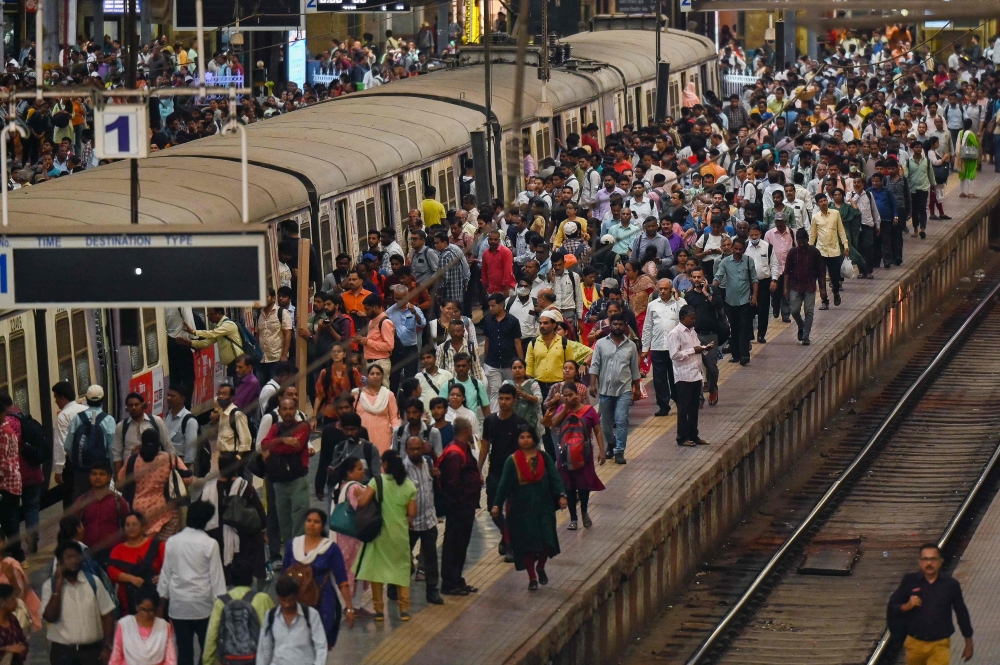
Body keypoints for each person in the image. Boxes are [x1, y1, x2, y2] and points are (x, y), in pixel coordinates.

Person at [490, 426, 567, 590]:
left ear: (534, 439)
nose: (525, 440)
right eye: (522, 437)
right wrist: (497, 504)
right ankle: (532, 577)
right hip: (521, 510)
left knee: (547, 539)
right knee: (528, 545)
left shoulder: (544, 458)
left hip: (544, 506)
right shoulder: (512, 461)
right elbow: (503, 485)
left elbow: (555, 477)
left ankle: (541, 566)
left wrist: (562, 495)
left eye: (528, 437)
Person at [157, 501, 228, 665]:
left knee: (184, 651)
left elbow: (166, 574)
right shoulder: (210, 544)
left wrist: (161, 601)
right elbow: (217, 580)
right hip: (203, 606)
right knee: (207, 651)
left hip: (178, 606)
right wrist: (222, 606)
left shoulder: (172, 542)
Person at [354, 450, 417, 620]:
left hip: (380, 534)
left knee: (377, 571)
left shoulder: (377, 481)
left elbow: (362, 502)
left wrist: (359, 495)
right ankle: (404, 609)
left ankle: (379, 610)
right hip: (400, 535)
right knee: (401, 570)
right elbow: (412, 512)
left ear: (386, 465)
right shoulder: (409, 485)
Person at [888, 543, 973, 664]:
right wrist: (908, 605)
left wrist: (968, 641)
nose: (929, 563)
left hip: (940, 644)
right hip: (914, 644)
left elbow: (961, 612)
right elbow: (893, 607)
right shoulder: (909, 581)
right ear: (919, 562)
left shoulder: (950, 585)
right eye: (925, 559)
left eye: (933, 559)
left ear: (940, 561)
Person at [282, 509, 354, 645]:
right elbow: (284, 576)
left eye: (316, 522)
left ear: (322, 526)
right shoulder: (293, 545)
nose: (311, 524)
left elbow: (342, 580)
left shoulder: (330, 548)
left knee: (319, 642)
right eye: (309, 521)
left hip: (323, 602)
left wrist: (349, 607)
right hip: (295, 602)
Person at [42, 541, 117, 665]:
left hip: (92, 652)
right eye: (69, 557)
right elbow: (50, 617)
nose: (74, 561)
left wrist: (108, 646)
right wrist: (58, 587)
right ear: (60, 562)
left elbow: (108, 614)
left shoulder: (94, 582)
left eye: (76, 556)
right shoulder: (49, 586)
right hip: (63, 653)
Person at [544, 382, 605, 530]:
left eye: (570, 395)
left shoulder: (589, 411)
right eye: (565, 396)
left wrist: (602, 451)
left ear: (577, 395)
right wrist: (565, 408)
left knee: (583, 485)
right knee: (568, 486)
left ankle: (584, 511)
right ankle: (573, 518)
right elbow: (553, 423)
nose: (568, 398)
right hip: (566, 455)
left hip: (585, 455)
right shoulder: (562, 410)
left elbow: (597, 430)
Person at [478, 385, 527, 560]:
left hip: (515, 475)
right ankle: (507, 537)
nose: (503, 402)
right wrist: (479, 469)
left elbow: (528, 450)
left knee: (513, 511)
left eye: (507, 399)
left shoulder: (521, 424)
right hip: (495, 472)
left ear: (514, 400)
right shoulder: (490, 421)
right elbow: (484, 446)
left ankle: (511, 544)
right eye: (501, 398)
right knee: (493, 509)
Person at [202, 453, 267, 583]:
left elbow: (200, 513)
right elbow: (260, 513)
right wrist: (264, 532)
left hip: (216, 536)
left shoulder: (209, 488)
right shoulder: (245, 487)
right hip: (241, 537)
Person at [436, 417, 483, 596]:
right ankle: (449, 582)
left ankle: (457, 579)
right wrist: (461, 501)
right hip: (459, 508)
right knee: (454, 544)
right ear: (467, 430)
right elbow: (452, 483)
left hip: (465, 506)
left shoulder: (461, 449)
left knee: (461, 544)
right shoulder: (455, 453)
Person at [261, 398, 312, 555]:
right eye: (284, 409)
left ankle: (300, 556)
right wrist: (283, 440)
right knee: (284, 522)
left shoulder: (303, 426)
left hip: (298, 481)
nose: (288, 412)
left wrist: (274, 447)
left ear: (296, 409)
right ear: (280, 411)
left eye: (291, 408)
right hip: (279, 483)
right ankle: (291, 555)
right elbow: (264, 444)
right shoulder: (276, 427)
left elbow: (294, 448)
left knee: (299, 521)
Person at [119, 430, 192, 539]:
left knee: (142, 549)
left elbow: (121, 480)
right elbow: (188, 479)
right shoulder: (169, 459)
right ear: (158, 443)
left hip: (138, 514)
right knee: (161, 550)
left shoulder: (133, 460)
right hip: (165, 512)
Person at [588, 314, 640, 465]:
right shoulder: (600, 344)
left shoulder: (630, 346)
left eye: (620, 324)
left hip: (624, 389)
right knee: (605, 423)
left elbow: (634, 369)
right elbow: (595, 365)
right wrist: (592, 384)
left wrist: (637, 389)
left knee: (621, 419)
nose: (617, 327)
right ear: (610, 325)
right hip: (605, 389)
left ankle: (619, 451)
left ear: (625, 326)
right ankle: (611, 443)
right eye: (615, 324)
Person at [202, 560, 275, 665]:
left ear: (232, 579)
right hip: (257, 659)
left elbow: (212, 635)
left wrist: (207, 661)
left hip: (228, 659)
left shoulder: (221, 602)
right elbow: (274, 629)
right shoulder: (262, 599)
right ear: (251, 579)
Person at [402, 436, 443, 605]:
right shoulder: (402, 469)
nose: (415, 452)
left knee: (431, 558)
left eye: (418, 448)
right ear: (406, 450)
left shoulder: (428, 463)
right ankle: (394, 587)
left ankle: (432, 591)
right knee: (403, 557)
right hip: (410, 523)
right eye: (412, 449)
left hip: (428, 520)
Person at [330, 457, 374, 615]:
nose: (363, 471)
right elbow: (361, 508)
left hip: (340, 535)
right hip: (353, 537)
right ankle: (353, 606)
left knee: (345, 569)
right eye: (359, 469)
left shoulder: (338, 486)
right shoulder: (355, 488)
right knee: (356, 569)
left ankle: (348, 604)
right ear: (350, 472)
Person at [63, 384, 116, 502]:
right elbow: (112, 449)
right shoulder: (108, 420)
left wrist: (77, 461)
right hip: (101, 471)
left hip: (81, 471)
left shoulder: (77, 418)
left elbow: (68, 446)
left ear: (86, 400)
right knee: (100, 502)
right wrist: (112, 471)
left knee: (81, 503)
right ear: (102, 399)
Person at [257, 575, 327, 665]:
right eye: (283, 600)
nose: (287, 604)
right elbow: (264, 648)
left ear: (297, 596)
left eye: (291, 600)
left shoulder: (311, 615)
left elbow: (321, 646)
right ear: (278, 597)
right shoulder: (270, 616)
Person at [71, 461, 130, 567]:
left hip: (112, 552)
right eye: (94, 474)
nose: (97, 477)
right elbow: (71, 527)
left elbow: (127, 528)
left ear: (109, 477)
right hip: (87, 552)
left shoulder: (119, 502)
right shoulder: (81, 501)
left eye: (102, 474)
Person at [669, 305, 712, 447]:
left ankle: (694, 435)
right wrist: (693, 350)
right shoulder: (675, 333)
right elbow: (674, 355)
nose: (694, 321)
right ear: (682, 318)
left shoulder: (692, 331)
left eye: (694, 318)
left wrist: (705, 349)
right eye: (691, 318)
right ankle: (682, 437)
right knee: (684, 408)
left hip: (695, 374)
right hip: (683, 375)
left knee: (694, 407)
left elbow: (697, 348)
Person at [107, 512, 164, 615]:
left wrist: (163, 576)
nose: (130, 528)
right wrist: (131, 579)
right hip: (128, 605)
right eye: (127, 525)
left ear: (143, 527)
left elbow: (170, 566)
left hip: (156, 602)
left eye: (134, 524)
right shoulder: (118, 549)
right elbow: (111, 571)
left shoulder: (157, 545)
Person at [713, 237, 757, 365]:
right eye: (735, 248)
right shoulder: (725, 262)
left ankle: (744, 355)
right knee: (734, 328)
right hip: (730, 301)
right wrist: (711, 287)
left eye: (740, 249)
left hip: (745, 301)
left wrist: (754, 296)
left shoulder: (749, 261)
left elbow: (754, 280)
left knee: (744, 328)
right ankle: (736, 354)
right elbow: (718, 276)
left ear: (743, 249)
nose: (738, 251)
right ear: (732, 248)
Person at [642, 279, 683, 417]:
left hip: (674, 348)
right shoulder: (652, 305)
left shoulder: (679, 304)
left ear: (671, 289)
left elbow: (686, 320)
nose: (663, 291)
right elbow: (648, 327)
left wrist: (678, 300)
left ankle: (679, 402)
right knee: (659, 379)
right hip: (657, 347)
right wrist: (644, 348)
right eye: (660, 289)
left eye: (665, 289)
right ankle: (663, 406)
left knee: (675, 377)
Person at [108, 587, 175, 665]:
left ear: (156, 609)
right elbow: (116, 657)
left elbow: (170, 659)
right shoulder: (125, 625)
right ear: (136, 606)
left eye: (150, 610)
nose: (146, 614)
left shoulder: (164, 627)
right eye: (143, 609)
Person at [784, 227, 828, 346]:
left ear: (808, 240)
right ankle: (801, 325)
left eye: (804, 242)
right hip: (795, 286)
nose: (802, 244)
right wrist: (786, 288)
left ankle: (806, 336)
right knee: (794, 310)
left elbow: (821, 272)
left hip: (810, 286)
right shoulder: (792, 253)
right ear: (796, 241)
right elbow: (787, 271)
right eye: (800, 242)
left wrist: (822, 288)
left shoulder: (814, 252)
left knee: (809, 311)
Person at [112, 392, 173, 473]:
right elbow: (117, 454)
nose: (133, 408)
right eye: (130, 405)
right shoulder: (121, 427)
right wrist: (119, 477)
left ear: (143, 405)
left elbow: (168, 446)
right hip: (131, 473)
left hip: (155, 471)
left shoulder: (156, 421)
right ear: (127, 408)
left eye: (136, 405)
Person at [808, 192, 850, 309]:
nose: (823, 203)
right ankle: (824, 301)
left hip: (834, 251)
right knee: (821, 276)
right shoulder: (815, 217)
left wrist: (846, 246)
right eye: (820, 202)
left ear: (827, 201)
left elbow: (841, 231)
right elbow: (812, 235)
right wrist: (810, 251)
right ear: (817, 204)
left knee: (834, 276)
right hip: (820, 251)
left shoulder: (835, 214)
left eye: (824, 200)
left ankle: (836, 293)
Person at [52, 380, 88, 504]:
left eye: (56, 397)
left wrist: (59, 470)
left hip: (73, 464)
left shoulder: (63, 416)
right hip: (90, 458)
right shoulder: (87, 409)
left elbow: (62, 444)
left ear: (62, 397)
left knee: (71, 501)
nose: (55, 401)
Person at [352, 363, 401, 453]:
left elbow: (394, 417)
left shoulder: (388, 395)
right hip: (361, 436)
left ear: (382, 377)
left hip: (383, 436)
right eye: (372, 373)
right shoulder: (357, 394)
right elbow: (352, 416)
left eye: (378, 374)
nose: (375, 376)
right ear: (367, 376)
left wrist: (396, 433)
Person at [385, 285, 426, 393]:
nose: (398, 301)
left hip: (410, 348)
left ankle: (410, 401)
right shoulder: (390, 311)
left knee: (410, 377)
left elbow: (422, 324)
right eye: (396, 298)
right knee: (393, 378)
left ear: (407, 296)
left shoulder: (415, 309)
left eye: (401, 298)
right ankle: (393, 400)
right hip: (395, 349)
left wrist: (415, 313)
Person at [313, 343, 362, 425]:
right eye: (333, 352)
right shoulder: (325, 372)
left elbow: (360, 392)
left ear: (344, 354)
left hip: (348, 412)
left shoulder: (353, 371)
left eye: (339, 351)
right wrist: (314, 417)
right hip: (330, 413)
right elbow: (319, 395)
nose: (336, 354)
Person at [0, 534, 39, 632]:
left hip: (10, 624)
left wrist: (11, 577)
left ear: (3, 543)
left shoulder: (10, 564)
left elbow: (20, 595)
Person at [505, 359, 543, 437]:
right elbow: (502, 402)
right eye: (514, 368)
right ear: (511, 371)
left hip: (532, 421)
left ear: (525, 369)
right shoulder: (506, 384)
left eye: (520, 367)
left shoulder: (533, 383)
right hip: (511, 422)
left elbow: (539, 400)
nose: (517, 370)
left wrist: (524, 395)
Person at [163, 386, 199, 469]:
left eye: (173, 396)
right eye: (168, 395)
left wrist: (184, 470)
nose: (169, 398)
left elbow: (191, 449)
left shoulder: (190, 421)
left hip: (180, 466)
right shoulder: (168, 415)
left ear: (182, 399)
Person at [415, 346, 452, 414]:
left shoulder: (447, 375)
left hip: (444, 416)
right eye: (423, 358)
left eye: (429, 357)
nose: (426, 360)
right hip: (425, 418)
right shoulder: (418, 377)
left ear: (435, 358)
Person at [0, 583, 28, 665]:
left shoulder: (12, 619)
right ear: (2, 602)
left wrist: (22, 648)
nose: (16, 602)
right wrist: (7, 649)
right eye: (13, 598)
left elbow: (22, 639)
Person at [956, 118, 980, 198]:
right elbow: (976, 144)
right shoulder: (970, 134)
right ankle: (970, 193)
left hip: (961, 156)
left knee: (962, 174)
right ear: (971, 125)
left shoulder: (960, 133)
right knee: (970, 174)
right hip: (970, 156)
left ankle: (962, 192)